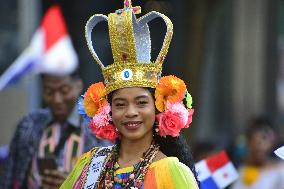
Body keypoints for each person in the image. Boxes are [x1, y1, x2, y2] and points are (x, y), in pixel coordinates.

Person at [60, 1, 199, 188]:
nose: (130, 112)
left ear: (159, 107)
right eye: (120, 104)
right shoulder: (90, 164)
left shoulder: (169, 171)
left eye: (141, 103)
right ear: (107, 111)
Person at [0, 71, 110, 189]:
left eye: (64, 91)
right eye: (49, 92)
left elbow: (106, 181)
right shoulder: (29, 124)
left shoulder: (98, 129)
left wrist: (72, 185)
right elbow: (9, 177)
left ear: (78, 85)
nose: (57, 99)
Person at [231, 116, 284, 189]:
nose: (259, 145)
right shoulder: (237, 170)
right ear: (248, 143)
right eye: (254, 141)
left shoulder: (280, 170)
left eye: (263, 139)